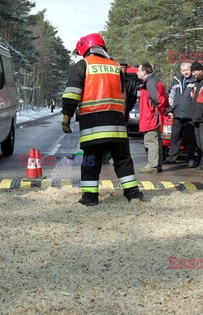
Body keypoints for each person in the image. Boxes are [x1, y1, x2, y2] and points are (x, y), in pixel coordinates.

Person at [61, 32, 143, 206]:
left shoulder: (82, 65)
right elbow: (125, 95)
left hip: (92, 125)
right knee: (123, 159)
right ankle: (133, 194)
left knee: (91, 160)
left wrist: (66, 118)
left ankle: (90, 198)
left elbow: (71, 96)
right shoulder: (115, 66)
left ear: (84, 48)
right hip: (117, 124)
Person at [137, 62, 169, 173]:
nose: (137, 72)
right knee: (156, 141)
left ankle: (152, 166)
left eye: (139, 70)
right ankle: (156, 165)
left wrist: (161, 111)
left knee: (151, 141)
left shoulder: (150, 82)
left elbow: (158, 99)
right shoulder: (153, 80)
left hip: (150, 117)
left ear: (144, 72)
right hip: (152, 116)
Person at [165, 62, 197, 168]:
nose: (186, 72)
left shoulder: (196, 81)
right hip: (177, 114)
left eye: (187, 70)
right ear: (180, 71)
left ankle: (191, 159)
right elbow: (171, 96)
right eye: (183, 70)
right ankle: (171, 158)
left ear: (191, 70)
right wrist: (170, 110)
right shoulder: (176, 82)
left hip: (190, 115)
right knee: (175, 137)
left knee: (191, 138)